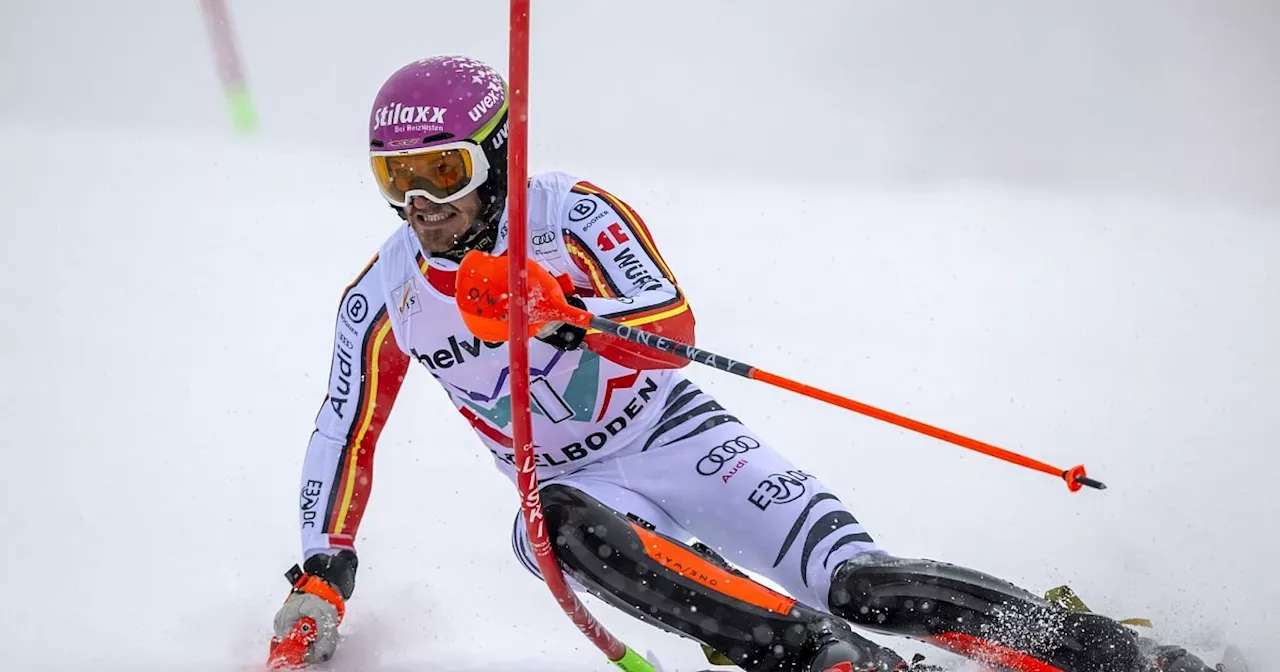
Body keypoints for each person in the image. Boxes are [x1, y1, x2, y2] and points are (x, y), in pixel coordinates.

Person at [267, 56, 1216, 672]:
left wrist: (563, 314)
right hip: (569, 486)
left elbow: (672, 325)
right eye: (398, 180)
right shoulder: (383, 295)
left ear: (497, 153)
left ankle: (1123, 660)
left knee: (865, 585)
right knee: (545, 526)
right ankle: (825, 662)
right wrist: (320, 574)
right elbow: (344, 431)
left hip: (682, 441)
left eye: (444, 173)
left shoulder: (570, 214)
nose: (422, 205)